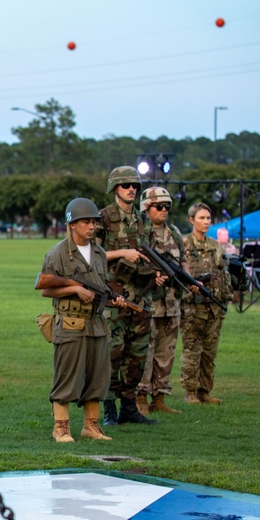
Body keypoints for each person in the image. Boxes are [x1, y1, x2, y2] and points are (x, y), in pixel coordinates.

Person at [39, 198, 121, 443]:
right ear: (71, 224)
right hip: (70, 323)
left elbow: (100, 287)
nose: (91, 226)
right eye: (85, 221)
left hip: (96, 322)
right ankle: (61, 428)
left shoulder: (99, 253)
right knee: (68, 376)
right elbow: (44, 288)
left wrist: (112, 300)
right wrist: (74, 289)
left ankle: (91, 426)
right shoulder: (58, 253)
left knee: (97, 375)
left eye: (93, 222)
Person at [94, 166, 159, 426]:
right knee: (112, 354)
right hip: (113, 299)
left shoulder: (143, 220)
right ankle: (109, 409)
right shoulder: (103, 218)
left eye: (135, 185)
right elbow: (90, 256)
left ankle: (129, 407)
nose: (131, 189)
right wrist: (121, 253)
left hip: (141, 299)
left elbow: (151, 254)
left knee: (138, 356)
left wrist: (157, 273)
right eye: (125, 185)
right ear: (114, 189)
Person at [136, 187, 185, 415]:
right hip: (149, 303)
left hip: (172, 304)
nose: (164, 210)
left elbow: (183, 263)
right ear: (146, 208)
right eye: (159, 206)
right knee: (146, 351)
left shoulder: (174, 233)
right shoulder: (140, 233)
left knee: (167, 352)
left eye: (167, 206)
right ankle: (140, 397)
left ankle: (160, 397)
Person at [180, 203, 233, 405]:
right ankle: (190, 392)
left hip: (214, 306)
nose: (206, 222)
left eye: (208, 218)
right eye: (201, 218)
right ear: (192, 220)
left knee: (210, 352)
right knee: (192, 350)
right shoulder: (185, 244)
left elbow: (223, 273)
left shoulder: (215, 246)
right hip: (193, 307)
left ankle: (205, 390)